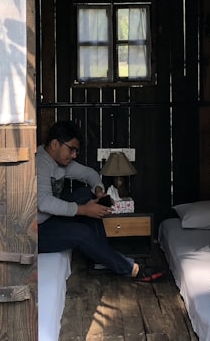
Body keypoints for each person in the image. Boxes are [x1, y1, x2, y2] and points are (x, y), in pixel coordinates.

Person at [36, 120, 163, 282]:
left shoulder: (59, 162)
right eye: (71, 149)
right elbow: (44, 202)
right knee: (82, 233)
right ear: (55, 144)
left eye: (76, 150)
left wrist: (98, 189)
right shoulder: (40, 163)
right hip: (35, 232)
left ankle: (101, 257)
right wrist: (84, 210)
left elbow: (90, 174)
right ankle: (131, 269)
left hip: (48, 221)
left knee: (86, 194)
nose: (74, 155)